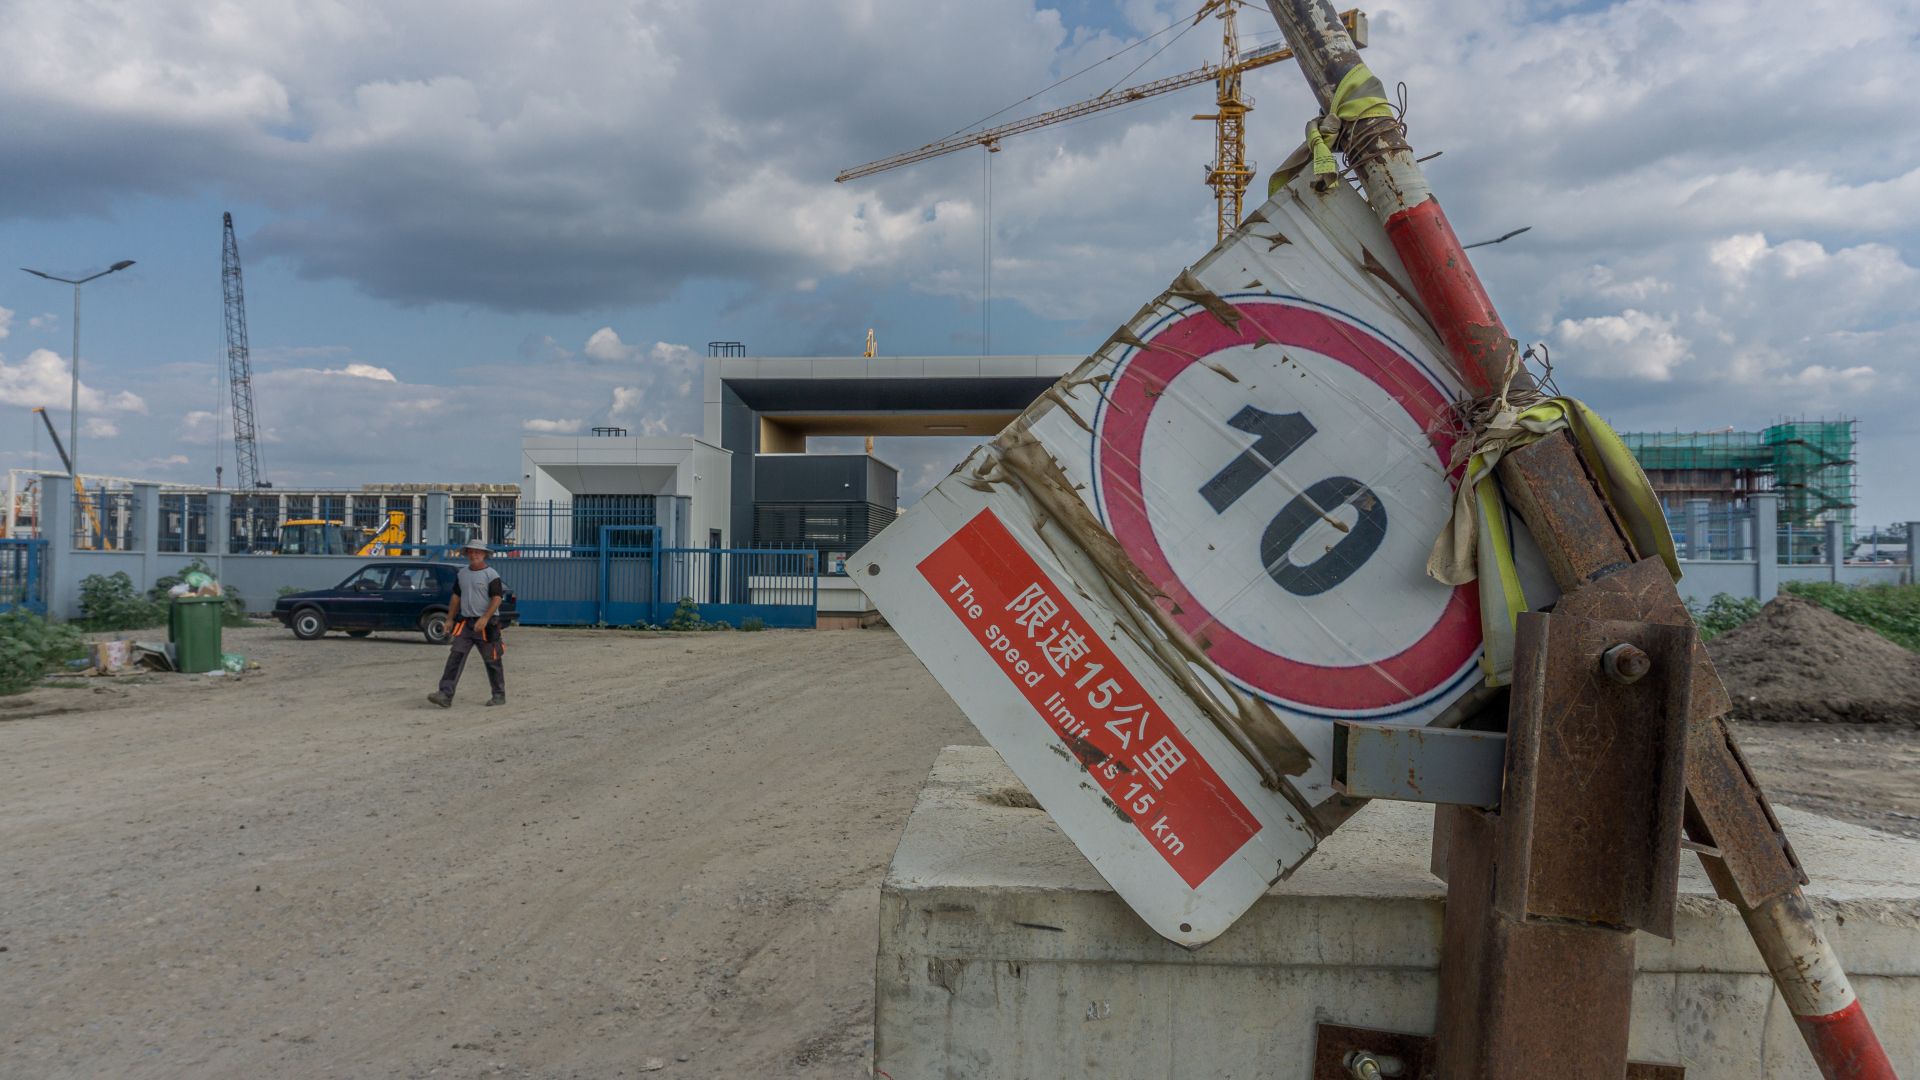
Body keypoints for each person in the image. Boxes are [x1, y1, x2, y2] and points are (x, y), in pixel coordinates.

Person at [428, 542, 506, 707]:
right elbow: (456, 597)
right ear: (467, 554)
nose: (474, 555)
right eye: (471, 552)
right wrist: (449, 619)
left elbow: (497, 598)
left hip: (486, 625)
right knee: (455, 657)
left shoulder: (491, 575)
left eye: (477, 552)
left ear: (484, 554)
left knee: (492, 660)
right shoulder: (462, 574)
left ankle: (498, 694)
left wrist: (485, 618)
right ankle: (445, 694)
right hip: (466, 623)